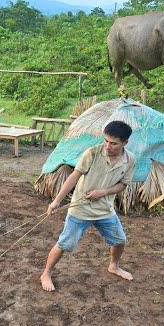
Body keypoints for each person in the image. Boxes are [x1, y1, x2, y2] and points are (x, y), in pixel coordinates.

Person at [40, 120, 136, 292]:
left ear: (124, 143)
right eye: (105, 141)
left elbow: (123, 184)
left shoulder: (130, 160)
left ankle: (113, 266)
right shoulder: (92, 153)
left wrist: (103, 192)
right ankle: (46, 273)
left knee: (120, 240)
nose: (107, 146)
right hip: (80, 209)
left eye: (113, 143)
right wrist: (56, 201)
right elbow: (74, 177)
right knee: (64, 244)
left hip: (105, 210)